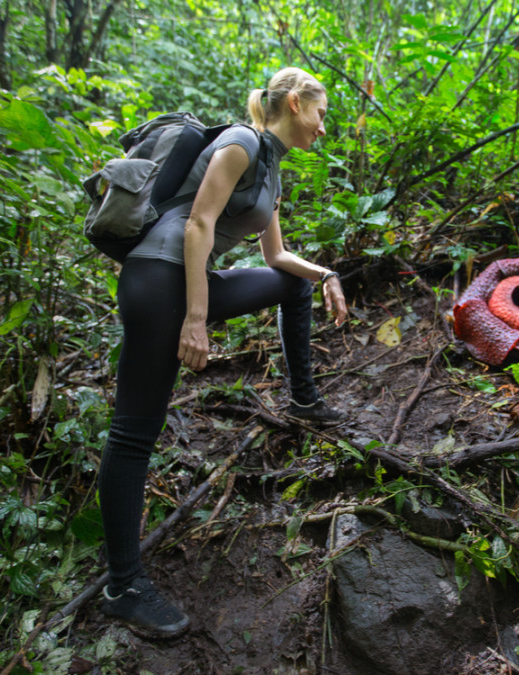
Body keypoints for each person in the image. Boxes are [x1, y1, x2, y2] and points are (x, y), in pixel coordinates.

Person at [97, 67, 347, 638]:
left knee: (294, 286)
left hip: (187, 281)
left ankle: (304, 400)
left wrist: (327, 271)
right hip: (159, 280)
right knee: (135, 432)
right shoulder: (239, 142)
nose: (324, 127)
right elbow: (198, 226)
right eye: (322, 113)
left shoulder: (270, 169)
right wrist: (195, 317)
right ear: (293, 102)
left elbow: (278, 258)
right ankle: (123, 584)